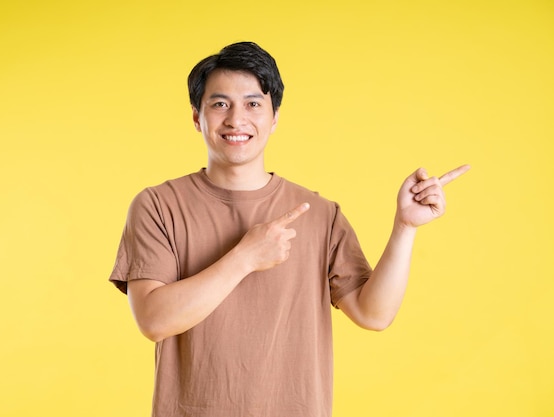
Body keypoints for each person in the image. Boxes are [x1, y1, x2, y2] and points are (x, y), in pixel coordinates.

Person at [109, 41, 469, 417]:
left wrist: (405, 227)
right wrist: (245, 257)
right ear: (197, 118)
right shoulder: (157, 206)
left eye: (253, 104)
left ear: (274, 117)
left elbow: (372, 314)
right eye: (219, 104)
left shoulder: (319, 213)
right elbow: (154, 320)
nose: (236, 119)